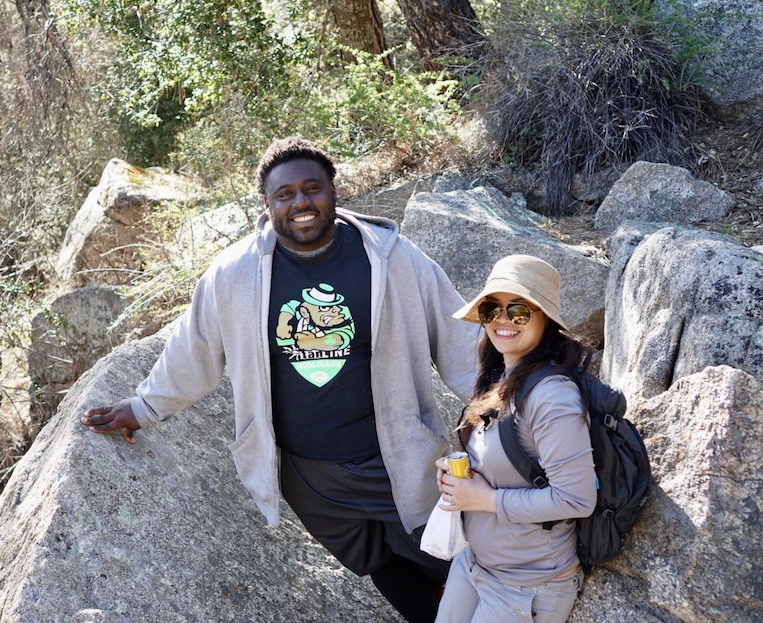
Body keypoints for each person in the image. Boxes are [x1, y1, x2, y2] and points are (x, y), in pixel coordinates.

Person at [81, 136, 480, 622]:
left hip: (394, 455)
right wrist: (142, 408)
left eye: (312, 188)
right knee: (375, 560)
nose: (301, 203)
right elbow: (195, 349)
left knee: (448, 555)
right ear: (266, 204)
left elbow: (459, 341)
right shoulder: (234, 275)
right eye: (284, 194)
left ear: (333, 190)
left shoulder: (392, 259)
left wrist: (513, 398)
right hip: (308, 474)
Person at [433, 254, 598, 623]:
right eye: (493, 309)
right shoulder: (502, 380)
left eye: (519, 311)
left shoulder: (552, 397)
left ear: (545, 320)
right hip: (474, 565)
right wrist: (459, 474)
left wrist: (486, 499)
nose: (503, 320)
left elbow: (577, 498)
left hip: (527, 586)